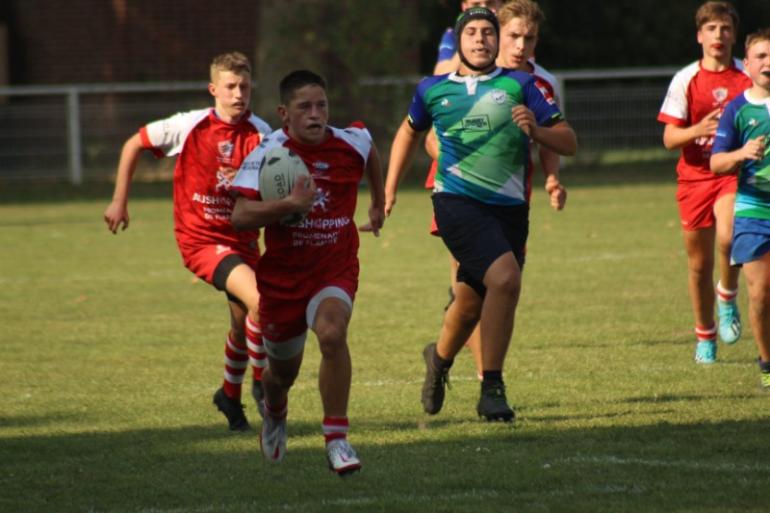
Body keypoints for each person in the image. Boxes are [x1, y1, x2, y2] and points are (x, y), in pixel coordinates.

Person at [385, 7, 577, 422]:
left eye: (488, 32)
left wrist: (537, 132)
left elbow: (568, 141)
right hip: (456, 203)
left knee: (470, 301)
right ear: (459, 40)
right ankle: (492, 386)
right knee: (506, 278)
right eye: (471, 32)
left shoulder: (524, 84)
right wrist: (389, 190)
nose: (480, 39)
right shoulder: (434, 88)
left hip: (510, 208)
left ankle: (437, 360)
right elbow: (410, 132)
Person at [103, 52, 271, 431]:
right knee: (262, 300)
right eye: (230, 86)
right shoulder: (189, 125)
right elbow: (134, 144)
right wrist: (119, 200)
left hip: (242, 242)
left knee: (245, 323)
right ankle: (263, 385)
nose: (238, 93)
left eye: (244, 86)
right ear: (214, 89)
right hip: (201, 239)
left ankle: (229, 396)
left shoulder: (262, 134)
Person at [230, 70, 385, 475]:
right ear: (284, 113)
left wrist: (378, 204)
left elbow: (371, 153)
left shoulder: (351, 142)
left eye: (322, 106)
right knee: (281, 375)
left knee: (332, 333)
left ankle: (337, 439)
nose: (316, 115)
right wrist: (288, 205)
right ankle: (276, 412)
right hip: (282, 279)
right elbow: (241, 215)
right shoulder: (266, 152)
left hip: (334, 265)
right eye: (305, 107)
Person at [425, 0, 568, 382]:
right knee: (487, 281)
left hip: (511, 195)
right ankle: (486, 376)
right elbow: (430, 129)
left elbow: (553, 136)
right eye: (514, 36)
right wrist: (458, 156)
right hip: (457, 191)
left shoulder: (537, 84)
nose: (521, 45)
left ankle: (440, 358)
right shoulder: (467, 69)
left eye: (529, 38)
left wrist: (552, 178)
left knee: (483, 291)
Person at [657, 1, 751, 364]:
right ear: (700, 36)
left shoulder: (747, 77)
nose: (719, 35)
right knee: (698, 265)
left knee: (728, 236)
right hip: (694, 179)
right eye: (711, 29)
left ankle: (727, 294)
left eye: (725, 28)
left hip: (732, 174)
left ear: (734, 35)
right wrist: (698, 129)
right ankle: (705, 334)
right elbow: (669, 139)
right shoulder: (686, 79)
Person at [711, 27, 770, 390]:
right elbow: (717, 162)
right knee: (761, 294)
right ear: (746, 64)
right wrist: (741, 154)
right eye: (761, 56)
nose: (768, 62)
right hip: (753, 212)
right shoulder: (737, 108)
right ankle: (767, 362)